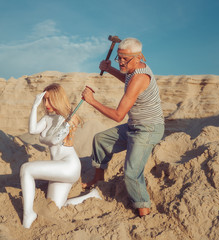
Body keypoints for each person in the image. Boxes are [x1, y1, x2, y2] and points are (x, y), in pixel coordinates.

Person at [81, 37, 164, 217]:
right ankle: (98, 178)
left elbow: (118, 116)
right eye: (119, 57)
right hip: (134, 126)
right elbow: (127, 78)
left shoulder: (140, 78)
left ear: (139, 57)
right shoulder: (134, 71)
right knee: (100, 140)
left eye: (124, 59)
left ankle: (143, 209)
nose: (120, 62)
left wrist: (92, 101)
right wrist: (109, 69)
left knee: (132, 173)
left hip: (148, 129)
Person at [20, 83, 101, 228]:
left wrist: (50, 135)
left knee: (26, 169)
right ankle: (91, 195)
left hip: (69, 166)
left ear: (57, 99)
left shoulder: (71, 118)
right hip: (59, 168)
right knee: (56, 206)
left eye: (49, 99)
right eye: (44, 100)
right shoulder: (47, 118)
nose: (46, 104)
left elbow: (54, 140)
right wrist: (34, 106)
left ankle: (28, 214)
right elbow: (32, 130)